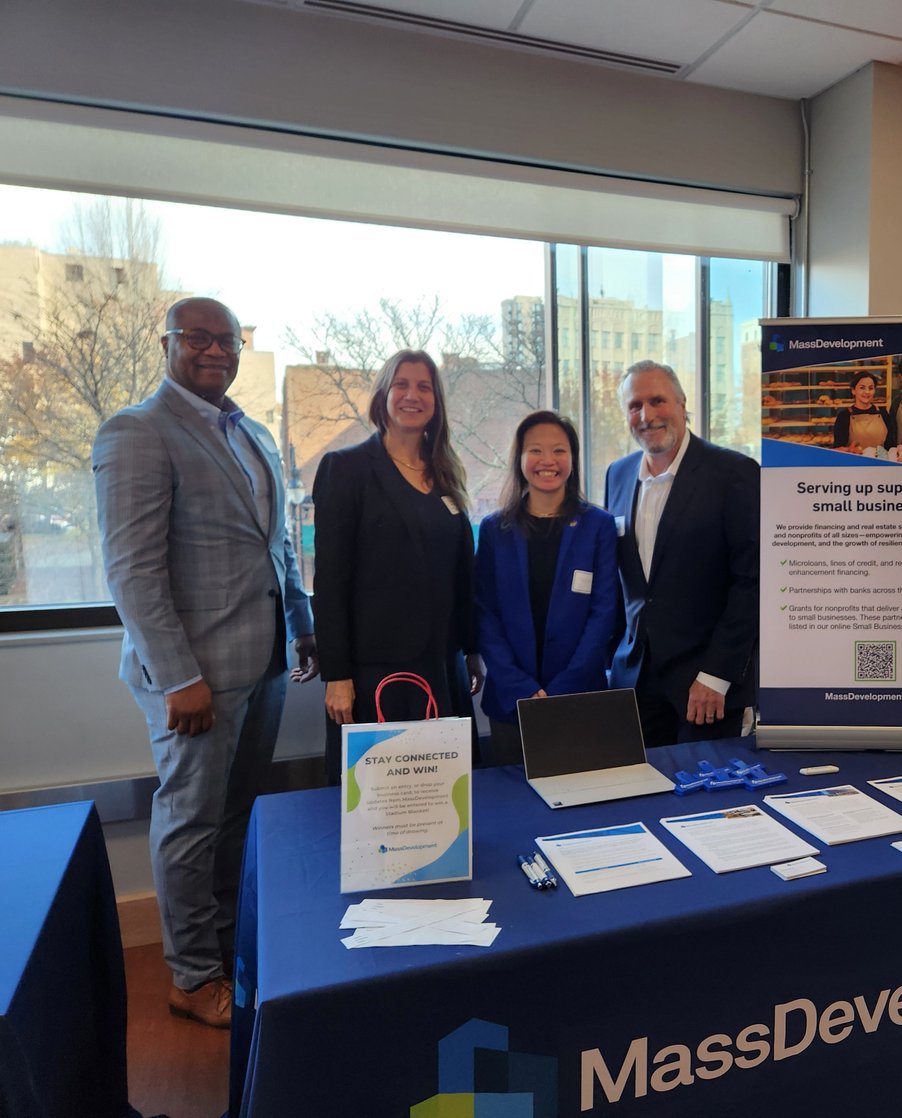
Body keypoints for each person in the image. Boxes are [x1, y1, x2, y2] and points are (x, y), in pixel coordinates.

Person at [92, 297, 318, 1030]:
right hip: (195, 679)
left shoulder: (248, 431)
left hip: (265, 664)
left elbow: (276, 545)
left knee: (238, 816)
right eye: (199, 338)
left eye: (228, 340)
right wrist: (178, 676)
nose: (216, 350)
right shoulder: (137, 432)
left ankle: (228, 949)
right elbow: (132, 571)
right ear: (168, 343)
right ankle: (191, 975)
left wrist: (304, 624)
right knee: (191, 821)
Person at [312, 349, 481, 781]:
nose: (413, 395)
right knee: (382, 803)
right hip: (376, 674)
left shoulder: (445, 472)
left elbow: (458, 572)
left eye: (424, 386)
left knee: (446, 798)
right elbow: (331, 580)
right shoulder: (345, 469)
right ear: (383, 395)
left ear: (436, 401)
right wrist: (338, 675)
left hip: (443, 665)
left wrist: (472, 649)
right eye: (401, 384)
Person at [605, 359, 759, 747]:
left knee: (708, 802)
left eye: (658, 401)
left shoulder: (734, 473)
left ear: (682, 404)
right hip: (635, 685)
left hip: (705, 687)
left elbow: (752, 582)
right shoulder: (617, 475)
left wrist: (716, 674)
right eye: (634, 405)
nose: (647, 415)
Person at [475, 411, 618, 765]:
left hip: (579, 696)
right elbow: (484, 613)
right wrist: (521, 687)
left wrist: (563, 689)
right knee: (514, 805)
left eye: (559, 451)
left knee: (582, 802)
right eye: (535, 451)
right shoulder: (495, 529)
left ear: (572, 458)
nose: (548, 461)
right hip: (511, 699)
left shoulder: (597, 526)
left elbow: (604, 612)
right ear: (520, 459)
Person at [832, 371, 896, 452]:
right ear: (853, 390)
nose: (867, 392)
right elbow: (837, 449)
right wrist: (849, 449)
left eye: (871, 388)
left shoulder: (883, 413)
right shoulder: (844, 416)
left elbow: (890, 445)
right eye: (862, 388)